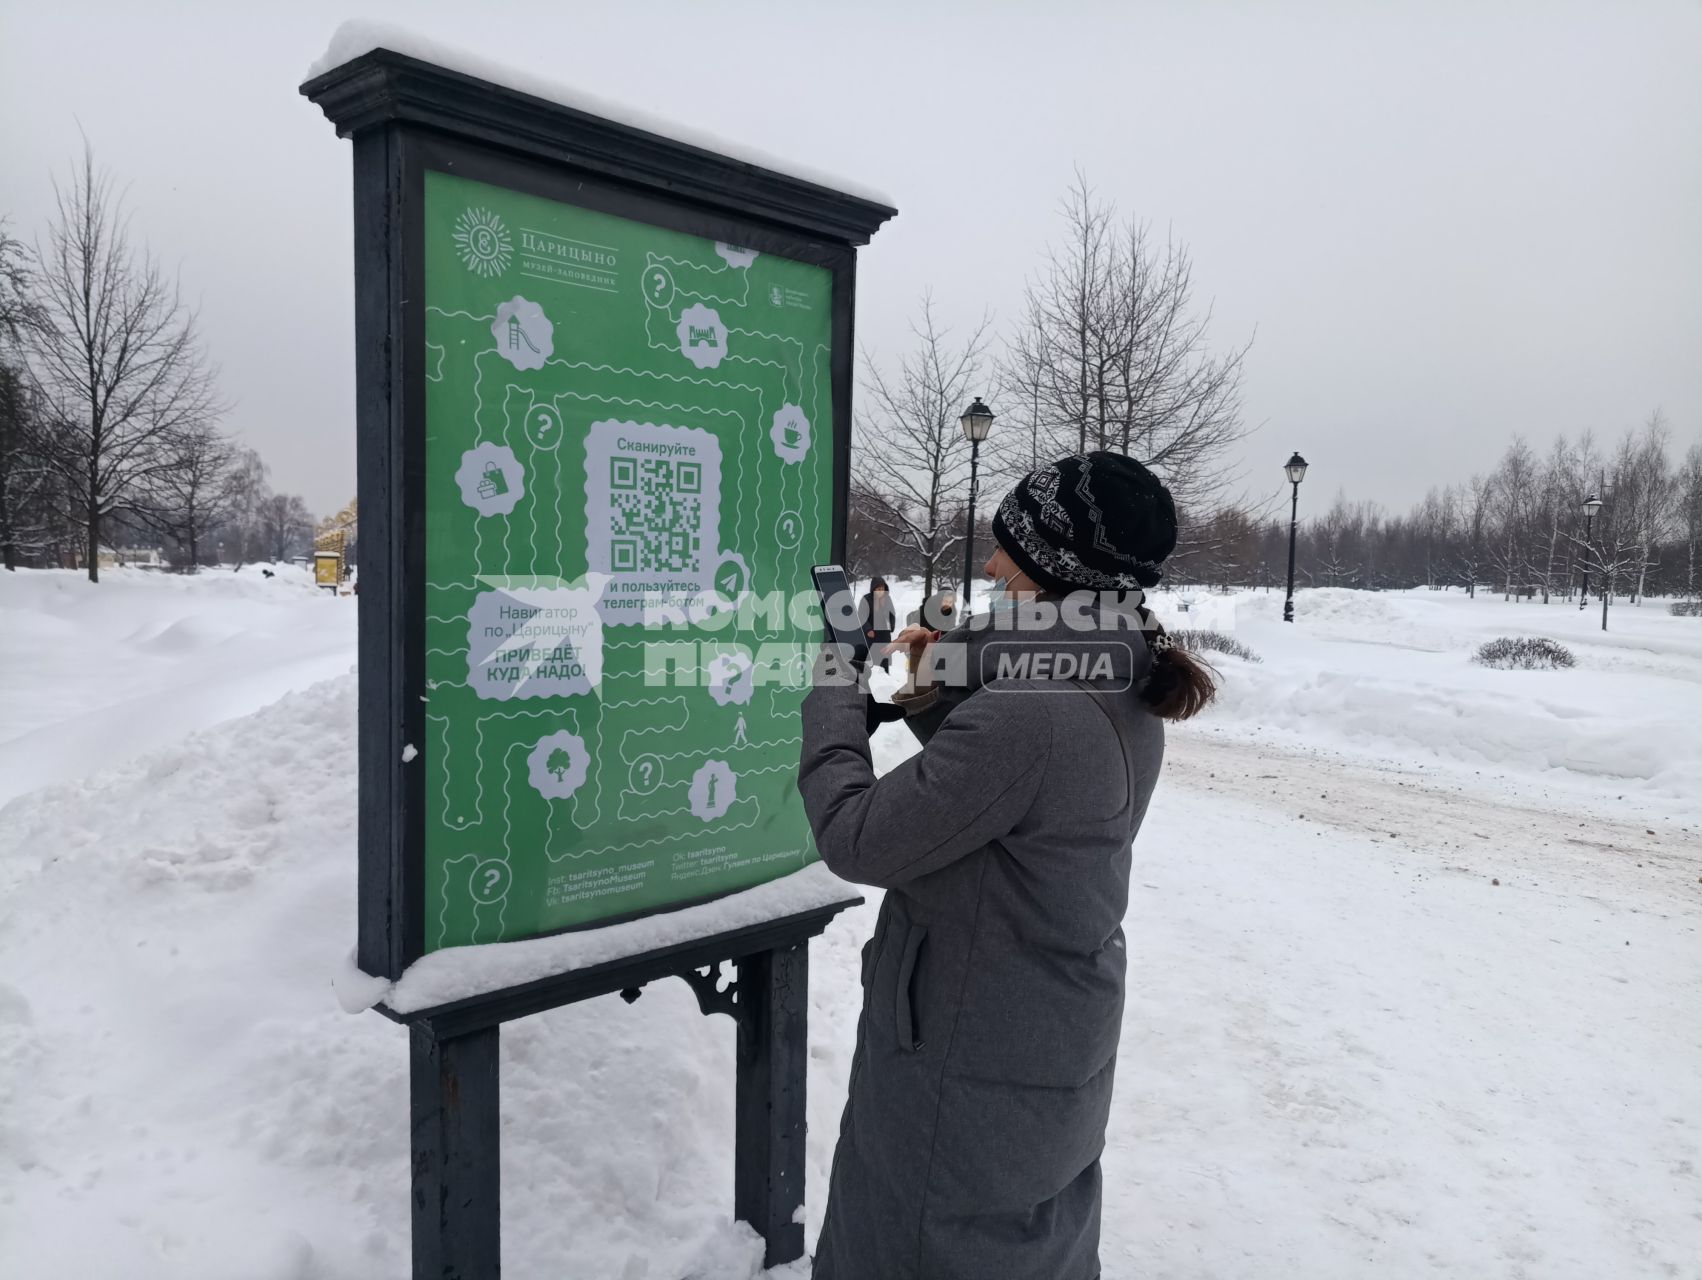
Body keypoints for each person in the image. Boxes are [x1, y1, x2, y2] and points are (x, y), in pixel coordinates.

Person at [798, 452, 1216, 1280]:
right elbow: (1003, 796)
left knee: (918, 1247)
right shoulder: (1123, 673)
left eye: (1011, 551)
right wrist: (935, 681)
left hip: (964, 1053)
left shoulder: (1031, 716)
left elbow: (856, 836)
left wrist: (838, 676)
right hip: (1042, 1040)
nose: (990, 564)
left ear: (1059, 572)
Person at [857, 575, 897, 673]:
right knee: (872, 662)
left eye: (882, 588)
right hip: (871, 635)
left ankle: (885, 677)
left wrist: (890, 627)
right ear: (873, 589)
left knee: (884, 660)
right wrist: (868, 629)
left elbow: (892, 615)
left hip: (884, 635)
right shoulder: (866, 599)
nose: (881, 591)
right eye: (878, 588)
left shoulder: (887, 599)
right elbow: (861, 616)